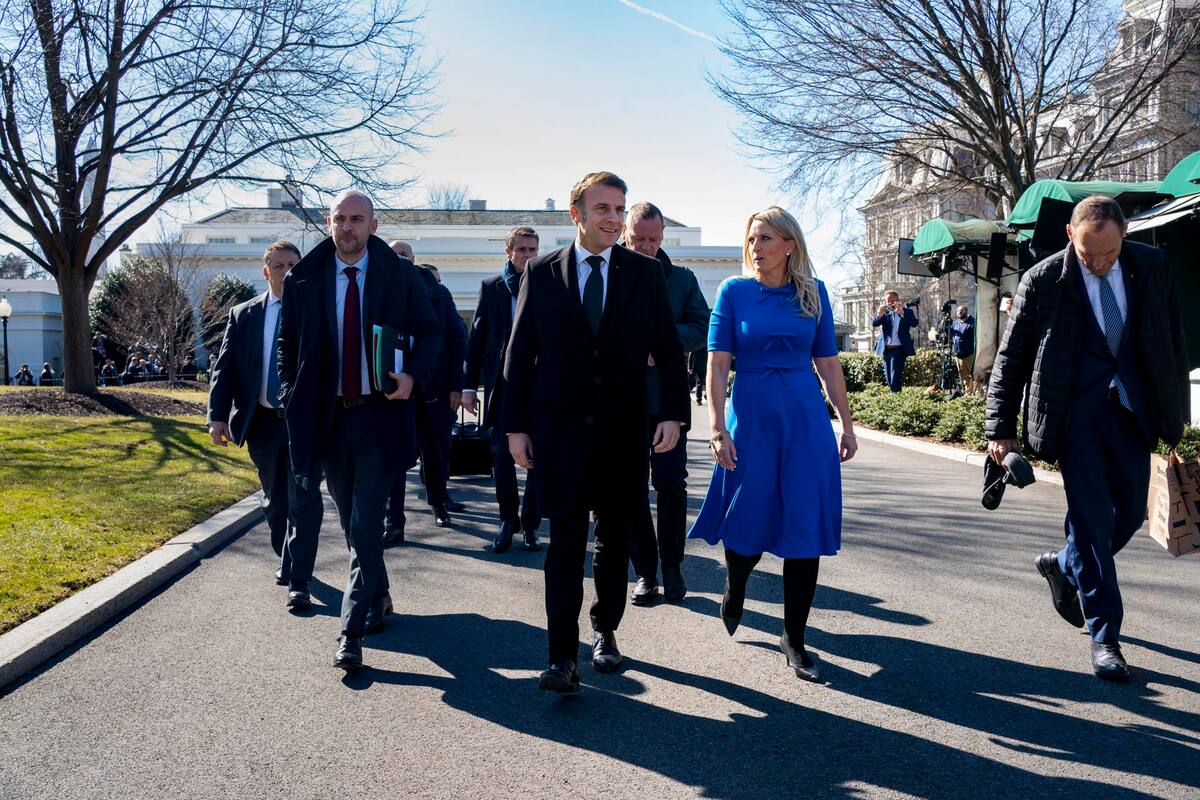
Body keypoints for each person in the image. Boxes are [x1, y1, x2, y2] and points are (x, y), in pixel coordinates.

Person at [986, 196, 1189, 682]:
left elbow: (1172, 341)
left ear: (1125, 235)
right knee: (1093, 522)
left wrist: (1175, 416)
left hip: (1132, 412)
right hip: (1074, 418)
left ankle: (1062, 564)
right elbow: (1012, 357)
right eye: (1087, 254)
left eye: (1108, 254)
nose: (1098, 263)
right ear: (1069, 237)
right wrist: (1001, 429)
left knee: (1130, 514)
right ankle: (1105, 637)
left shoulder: (1152, 266)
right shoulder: (1043, 280)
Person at [502, 171, 688, 692]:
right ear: (576, 213)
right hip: (559, 432)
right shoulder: (541, 272)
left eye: (619, 209)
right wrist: (514, 427)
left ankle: (605, 629)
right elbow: (519, 353)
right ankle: (561, 656)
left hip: (623, 432)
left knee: (612, 541)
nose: (613, 218)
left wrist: (672, 414)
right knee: (564, 542)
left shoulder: (644, 274)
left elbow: (669, 349)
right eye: (603, 208)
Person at [689, 206, 857, 683]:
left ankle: (794, 638)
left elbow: (828, 364)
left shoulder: (814, 293)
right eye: (752, 239)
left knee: (804, 526)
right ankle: (736, 582)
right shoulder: (734, 291)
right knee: (749, 517)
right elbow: (717, 364)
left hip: (805, 421)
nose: (756, 247)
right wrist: (717, 428)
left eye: (765, 238)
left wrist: (847, 425)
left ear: (789, 244)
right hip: (752, 419)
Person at [277, 190, 442, 671]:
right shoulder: (304, 278)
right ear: (329, 223)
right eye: (339, 219)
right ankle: (379, 592)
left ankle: (350, 631)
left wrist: (412, 377)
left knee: (367, 522)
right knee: (353, 521)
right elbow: (287, 343)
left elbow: (431, 334)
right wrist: (290, 392)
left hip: (379, 417)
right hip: (328, 420)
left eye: (356, 219)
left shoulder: (399, 275)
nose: (347, 227)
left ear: (372, 224)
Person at [207, 241, 325, 608]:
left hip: (305, 424)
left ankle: (299, 579)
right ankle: (287, 557)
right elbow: (225, 368)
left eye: (292, 266)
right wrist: (217, 416)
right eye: (279, 266)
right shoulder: (243, 314)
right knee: (276, 502)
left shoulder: (317, 310)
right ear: (266, 271)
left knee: (304, 498)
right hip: (261, 422)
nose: (286, 272)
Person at [623, 201, 711, 605]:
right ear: (626, 234)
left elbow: (702, 326)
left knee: (671, 486)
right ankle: (645, 572)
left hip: (668, 402)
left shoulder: (682, 279)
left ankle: (672, 567)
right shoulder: (610, 274)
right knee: (631, 491)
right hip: (621, 402)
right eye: (638, 239)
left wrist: (660, 343)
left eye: (653, 239)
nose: (646, 246)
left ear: (662, 237)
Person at [462, 226, 543, 553]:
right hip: (503, 386)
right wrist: (468, 386)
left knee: (539, 457)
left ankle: (531, 524)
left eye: (533, 249)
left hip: (539, 385)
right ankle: (508, 520)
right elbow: (476, 340)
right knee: (501, 457)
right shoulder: (492, 287)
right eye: (522, 249)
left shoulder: (548, 284)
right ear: (508, 252)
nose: (528, 255)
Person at [383, 248, 467, 543]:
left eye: (406, 253)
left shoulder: (437, 291)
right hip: (393, 387)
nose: (400, 257)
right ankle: (393, 521)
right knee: (395, 454)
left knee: (435, 450)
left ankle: (439, 503)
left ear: (413, 259)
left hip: (434, 387)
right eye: (395, 253)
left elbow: (457, 337)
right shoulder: (379, 285)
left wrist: (456, 384)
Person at [872, 290, 917, 392]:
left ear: (898, 300)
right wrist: (879, 314)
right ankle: (895, 396)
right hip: (886, 349)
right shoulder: (885, 313)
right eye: (888, 301)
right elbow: (874, 323)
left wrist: (902, 313)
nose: (890, 303)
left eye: (892, 300)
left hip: (899, 349)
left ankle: (896, 396)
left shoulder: (907, 312)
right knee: (889, 377)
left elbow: (914, 323)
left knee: (895, 376)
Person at [950, 305, 976, 393]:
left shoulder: (972, 322)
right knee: (964, 377)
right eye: (958, 311)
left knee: (973, 375)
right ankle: (967, 393)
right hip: (958, 355)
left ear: (966, 311)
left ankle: (976, 394)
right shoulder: (955, 323)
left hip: (969, 354)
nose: (960, 312)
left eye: (962, 310)